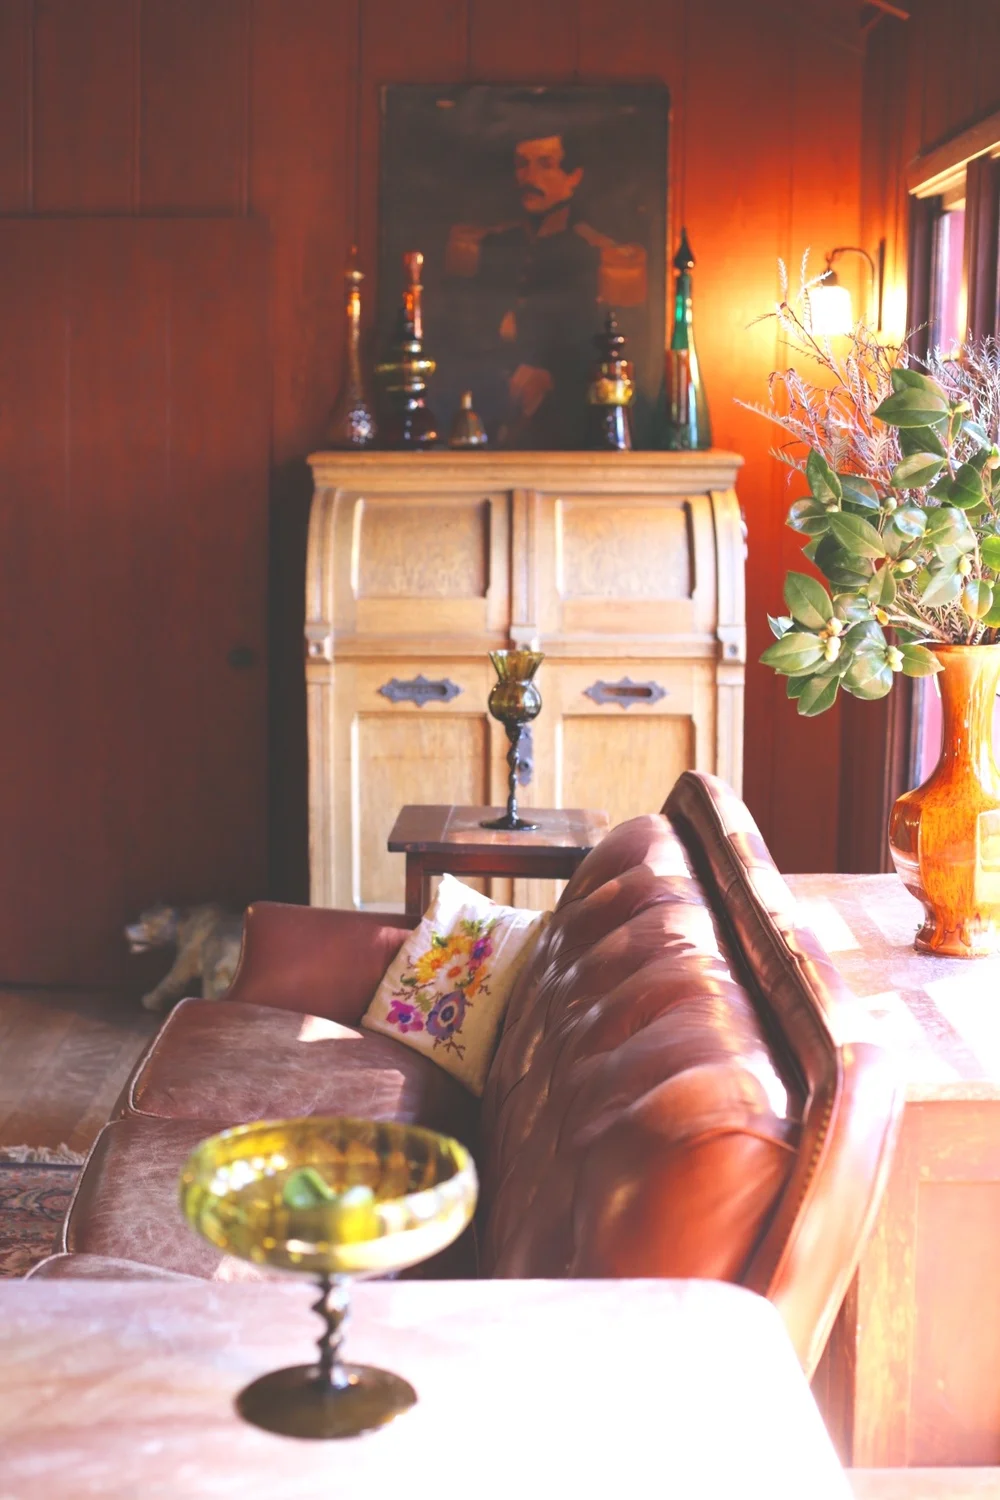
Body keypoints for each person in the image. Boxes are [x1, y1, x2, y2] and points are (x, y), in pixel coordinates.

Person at [446, 132, 646, 448]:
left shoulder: (596, 251)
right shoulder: (493, 243)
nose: (529, 177)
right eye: (522, 165)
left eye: (545, 165)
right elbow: (461, 333)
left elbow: (611, 349)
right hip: (489, 404)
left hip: (568, 416)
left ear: (574, 177)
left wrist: (552, 378)